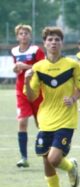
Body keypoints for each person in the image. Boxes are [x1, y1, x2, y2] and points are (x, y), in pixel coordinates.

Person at [23, 27, 80, 187]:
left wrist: (73, 98)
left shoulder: (72, 65)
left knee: (54, 158)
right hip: (46, 119)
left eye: (57, 39)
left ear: (62, 43)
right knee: (46, 160)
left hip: (66, 119)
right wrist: (27, 80)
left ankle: (70, 166)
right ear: (45, 43)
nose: (53, 42)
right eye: (50, 39)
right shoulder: (38, 68)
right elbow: (31, 97)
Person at [11, 24, 45, 168]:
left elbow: (43, 66)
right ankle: (23, 157)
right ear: (17, 36)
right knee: (22, 122)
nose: (23, 36)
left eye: (26, 33)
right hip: (21, 91)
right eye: (21, 33)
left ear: (30, 36)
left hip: (36, 90)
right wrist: (16, 68)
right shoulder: (14, 51)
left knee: (41, 124)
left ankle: (47, 152)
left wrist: (25, 66)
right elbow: (17, 69)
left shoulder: (36, 50)